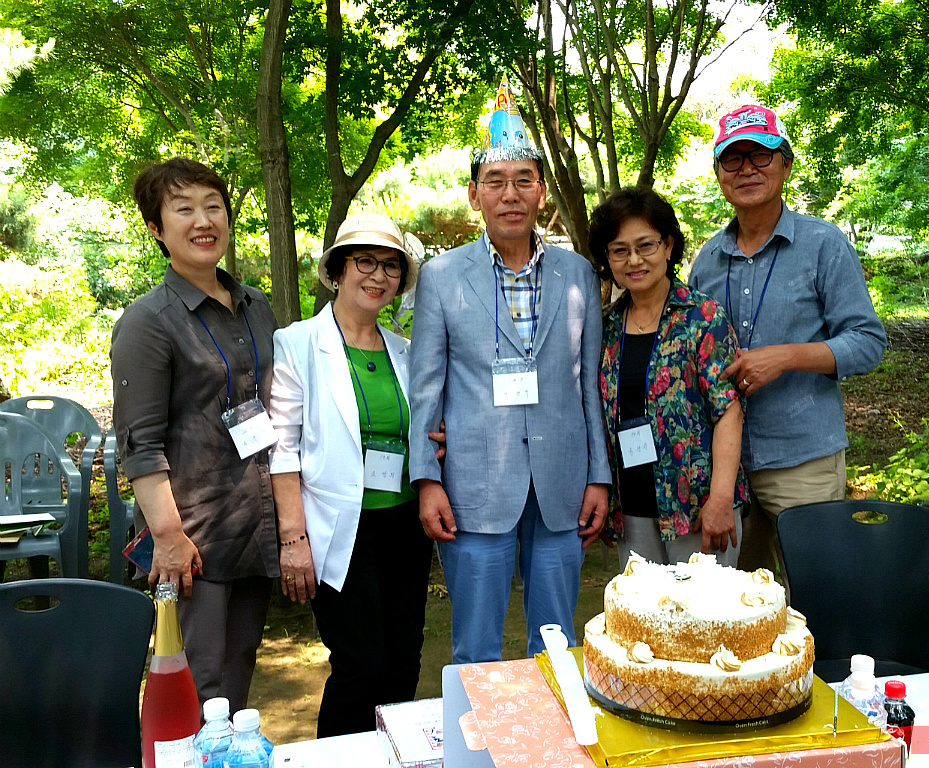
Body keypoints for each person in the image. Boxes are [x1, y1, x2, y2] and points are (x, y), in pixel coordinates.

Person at [408, 77, 611, 664]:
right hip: (474, 487)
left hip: (561, 484)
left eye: (524, 180)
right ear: (475, 194)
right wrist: (426, 481)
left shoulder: (577, 274)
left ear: (541, 191)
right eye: (495, 181)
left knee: (558, 647)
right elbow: (427, 389)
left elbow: (589, 388)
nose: (510, 194)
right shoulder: (442, 277)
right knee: (476, 650)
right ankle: (478, 727)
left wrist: (598, 477)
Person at [687, 104, 886, 581]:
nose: (747, 169)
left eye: (761, 155)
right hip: (725, 471)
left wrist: (787, 357)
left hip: (802, 460)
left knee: (815, 593)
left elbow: (868, 342)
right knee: (730, 601)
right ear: (719, 174)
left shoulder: (823, 244)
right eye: (733, 159)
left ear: (786, 165)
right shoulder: (708, 260)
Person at [111, 157, 279, 713]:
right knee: (196, 686)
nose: (203, 220)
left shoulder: (256, 306)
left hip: (252, 525)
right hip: (192, 541)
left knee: (238, 673)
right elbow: (139, 444)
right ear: (157, 229)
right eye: (183, 209)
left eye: (213, 206)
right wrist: (167, 537)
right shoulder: (149, 321)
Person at [267, 213, 433, 736]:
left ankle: (393, 755)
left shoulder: (406, 352)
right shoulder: (298, 343)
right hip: (339, 529)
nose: (378, 275)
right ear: (338, 270)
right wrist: (293, 538)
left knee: (403, 661)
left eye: (390, 266)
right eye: (365, 261)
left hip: (405, 528)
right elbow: (282, 448)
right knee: (361, 666)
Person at [590, 188, 747, 570]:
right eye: (620, 250)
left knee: (703, 608)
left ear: (668, 245)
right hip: (632, 509)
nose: (634, 260)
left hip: (698, 508)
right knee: (644, 606)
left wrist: (720, 498)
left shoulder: (702, 317)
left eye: (645, 245)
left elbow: (728, 411)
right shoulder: (605, 327)